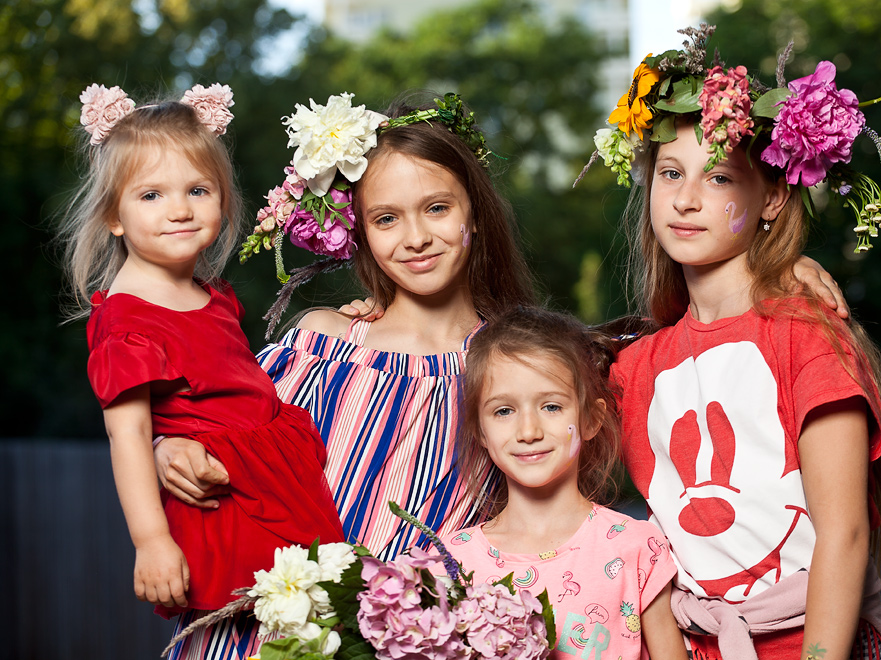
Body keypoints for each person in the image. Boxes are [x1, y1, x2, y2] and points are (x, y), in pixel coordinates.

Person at [152, 91, 537, 658]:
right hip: (262, 631)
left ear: (473, 212)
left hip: (409, 641)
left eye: (437, 208)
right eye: (387, 218)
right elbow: (220, 429)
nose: (416, 238)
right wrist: (169, 448)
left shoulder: (513, 368)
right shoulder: (323, 342)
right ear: (358, 229)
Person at [595, 26, 881, 660]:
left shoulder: (804, 335)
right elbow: (512, 372)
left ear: (769, 196)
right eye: (670, 173)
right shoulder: (635, 366)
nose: (684, 199)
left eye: (718, 180)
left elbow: (844, 533)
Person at [59, 84, 345, 621]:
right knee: (267, 632)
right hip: (220, 502)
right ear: (113, 217)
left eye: (198, 190)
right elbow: (129, 438)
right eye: (151, 195)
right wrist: (151, 541)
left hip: (276, 478)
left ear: (223, 200)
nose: (180, 210)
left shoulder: (211, 295)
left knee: (320, 622)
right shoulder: (125, 319)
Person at [440, 306, 686, 660]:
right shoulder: (450, 563)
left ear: (590, 419)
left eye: (551, 407)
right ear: (480, 430)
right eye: (504, 411)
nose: (528, 432)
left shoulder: (635, 547)